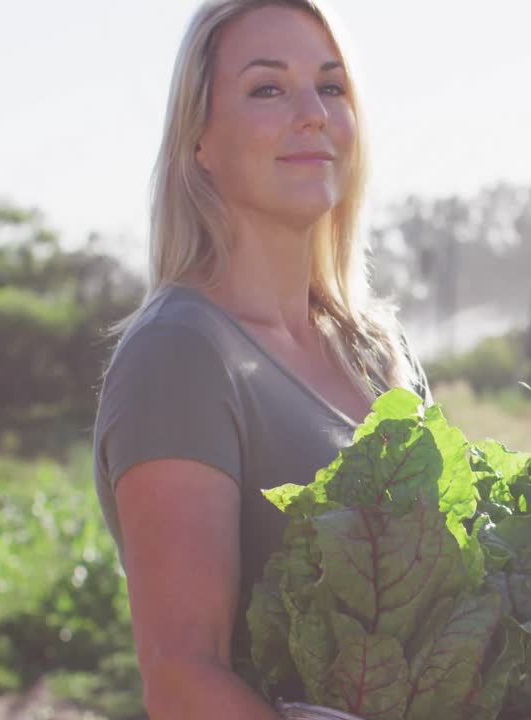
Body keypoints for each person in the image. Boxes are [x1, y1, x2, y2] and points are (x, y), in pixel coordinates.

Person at [91, 1, 432, 717]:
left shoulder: (381, 352)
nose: (312, 113)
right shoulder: (178, 354)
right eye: (267, 88)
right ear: (200, 142)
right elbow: (184, 680)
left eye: (331, 87)